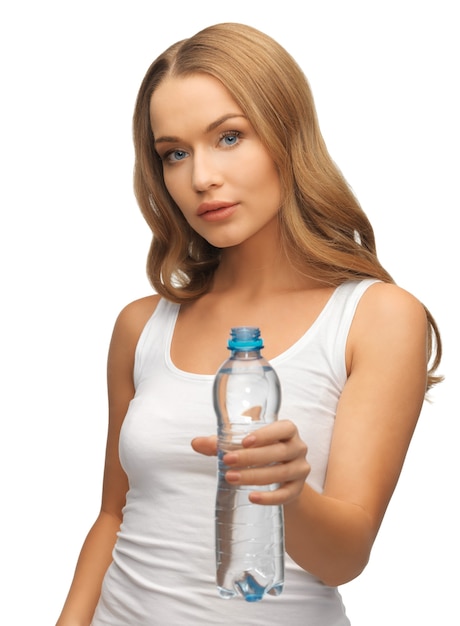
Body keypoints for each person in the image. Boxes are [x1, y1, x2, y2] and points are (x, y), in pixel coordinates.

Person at [55, 22, 443, 626]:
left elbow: (345, 558)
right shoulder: (141, 326)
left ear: (287, 137)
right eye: (174, 154)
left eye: (229, 137)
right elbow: (113, 515)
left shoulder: (377, 317)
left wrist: (289, 492)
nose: (200, 176)